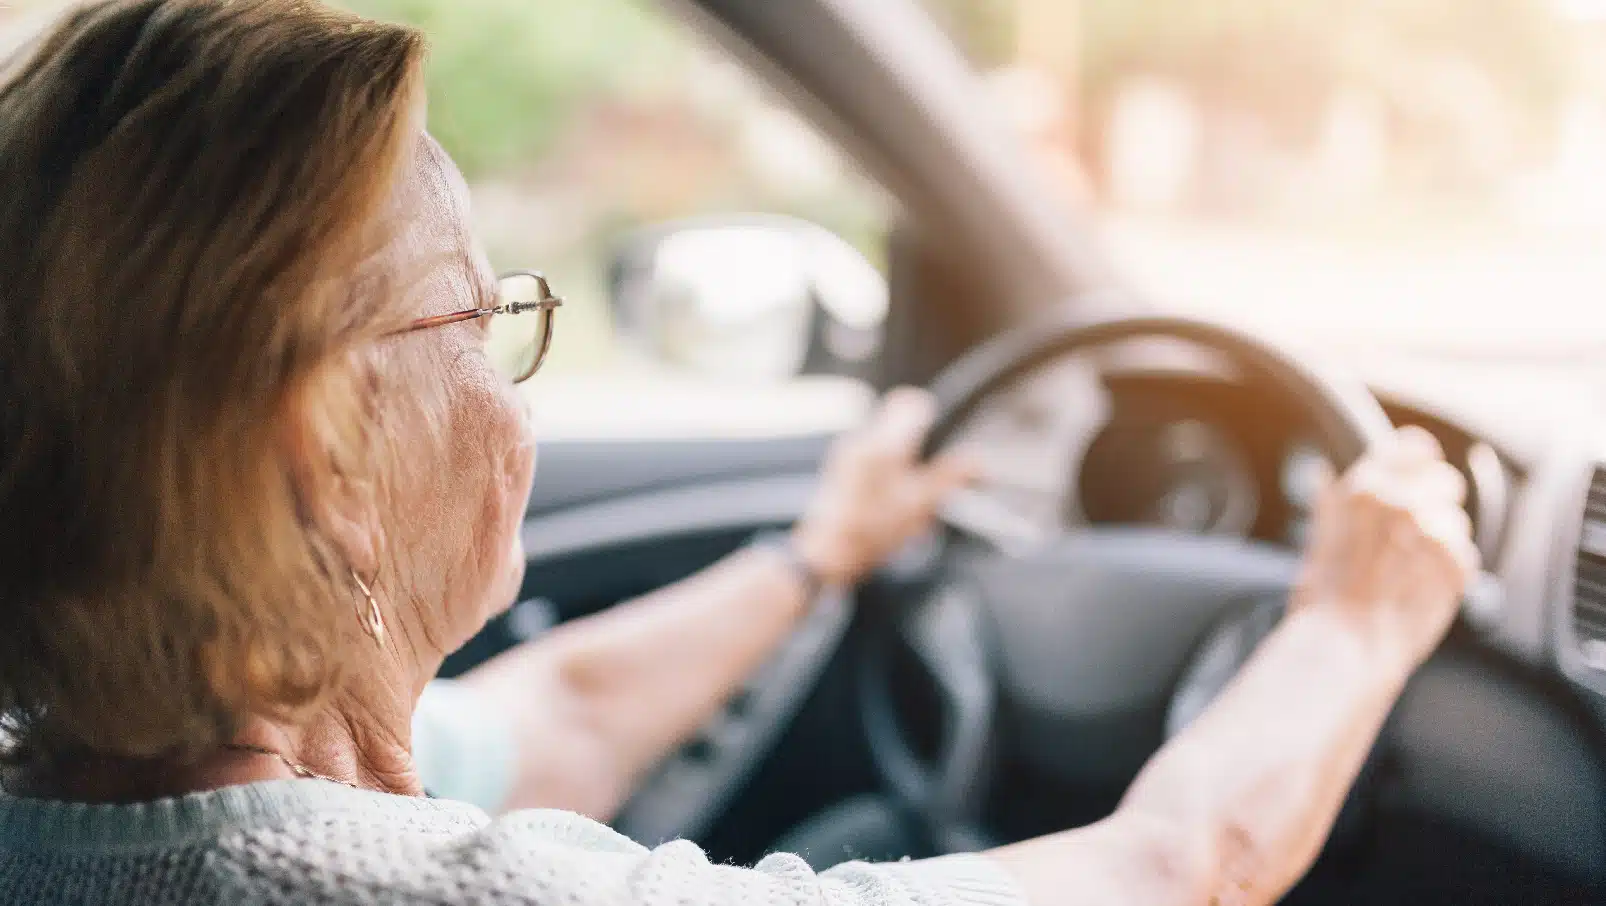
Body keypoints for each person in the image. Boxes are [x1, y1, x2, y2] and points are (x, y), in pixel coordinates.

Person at [0, 2, 1479, 905]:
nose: (514, 392)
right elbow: (1175, 869)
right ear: (322, 460)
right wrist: (1355, 620)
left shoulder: (75, 795)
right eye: (481, 311)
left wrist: (815, 557)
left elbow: (557, 712)